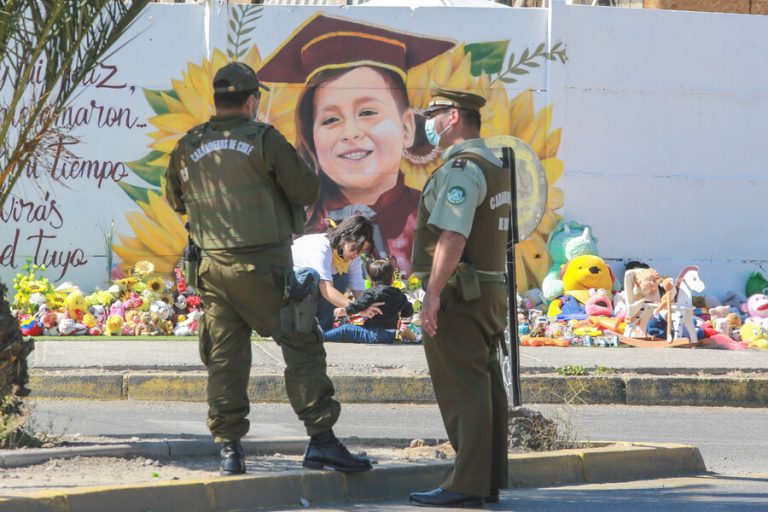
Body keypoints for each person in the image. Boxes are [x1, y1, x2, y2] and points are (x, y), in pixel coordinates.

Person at [164, 62, 371, 476]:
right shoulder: (264, 139)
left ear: (217, 99)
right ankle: (322, 441)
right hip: (265, 270)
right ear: (252, 100)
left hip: (212, 271)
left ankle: (230, 449)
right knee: (302, 345)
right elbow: (305, 189)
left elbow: (176, 198)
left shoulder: (189, 144)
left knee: (226, 358)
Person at [256, 12, 455, 276]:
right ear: (312, 138)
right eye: (330, 119)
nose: (350, 133)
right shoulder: (297, 224)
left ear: (406, 127)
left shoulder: (429, 218)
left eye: (368, 112)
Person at [408, 84, 511, 508]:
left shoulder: (462, 170)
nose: (428, 124)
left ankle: (466, 484)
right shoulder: (495, 167)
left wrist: (432, 294)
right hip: (490, 290)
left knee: (463, 388)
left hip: (461, 296)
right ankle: (486, 479)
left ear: (453, 117)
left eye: (434, 115)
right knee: (486, 385)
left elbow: (453, 233)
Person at [291, 215, 380, 331]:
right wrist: (358, 308)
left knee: (343, 278)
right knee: (311, 275)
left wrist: (370, 308)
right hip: (285, 290)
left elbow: (358, 290)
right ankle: (294, 326)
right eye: (355, 248)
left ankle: (322, 328)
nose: (357, 254)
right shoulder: (320, 246)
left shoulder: (353, 256)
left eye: (362, 250)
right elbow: (327, 290)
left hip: (314, 291)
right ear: (344, 237)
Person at [325, 259, 414, 344]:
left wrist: (345, 310)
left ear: (372, 279)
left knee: (346, 329)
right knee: (347, 323)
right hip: (390, 335)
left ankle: (321, 336)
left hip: (375, 334)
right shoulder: (399, 294)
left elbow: (359, 304)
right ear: (392, 278)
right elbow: (408, 312)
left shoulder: (372, 292)